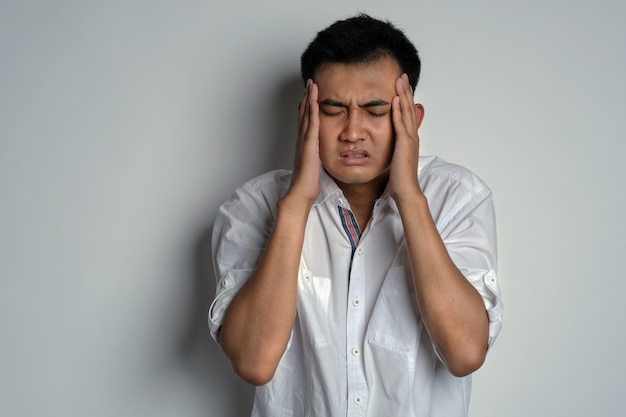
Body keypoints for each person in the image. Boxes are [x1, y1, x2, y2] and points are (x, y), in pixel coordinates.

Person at [208, 13, 503, 417]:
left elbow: (465, 353)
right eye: (332, 110)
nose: (352, 131)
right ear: (305, 116)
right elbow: (254, 363)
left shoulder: (458, 197)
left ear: (412, 119)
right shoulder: (252, 206)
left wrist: (410, 199)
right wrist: (297, 204)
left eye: (375, 110)